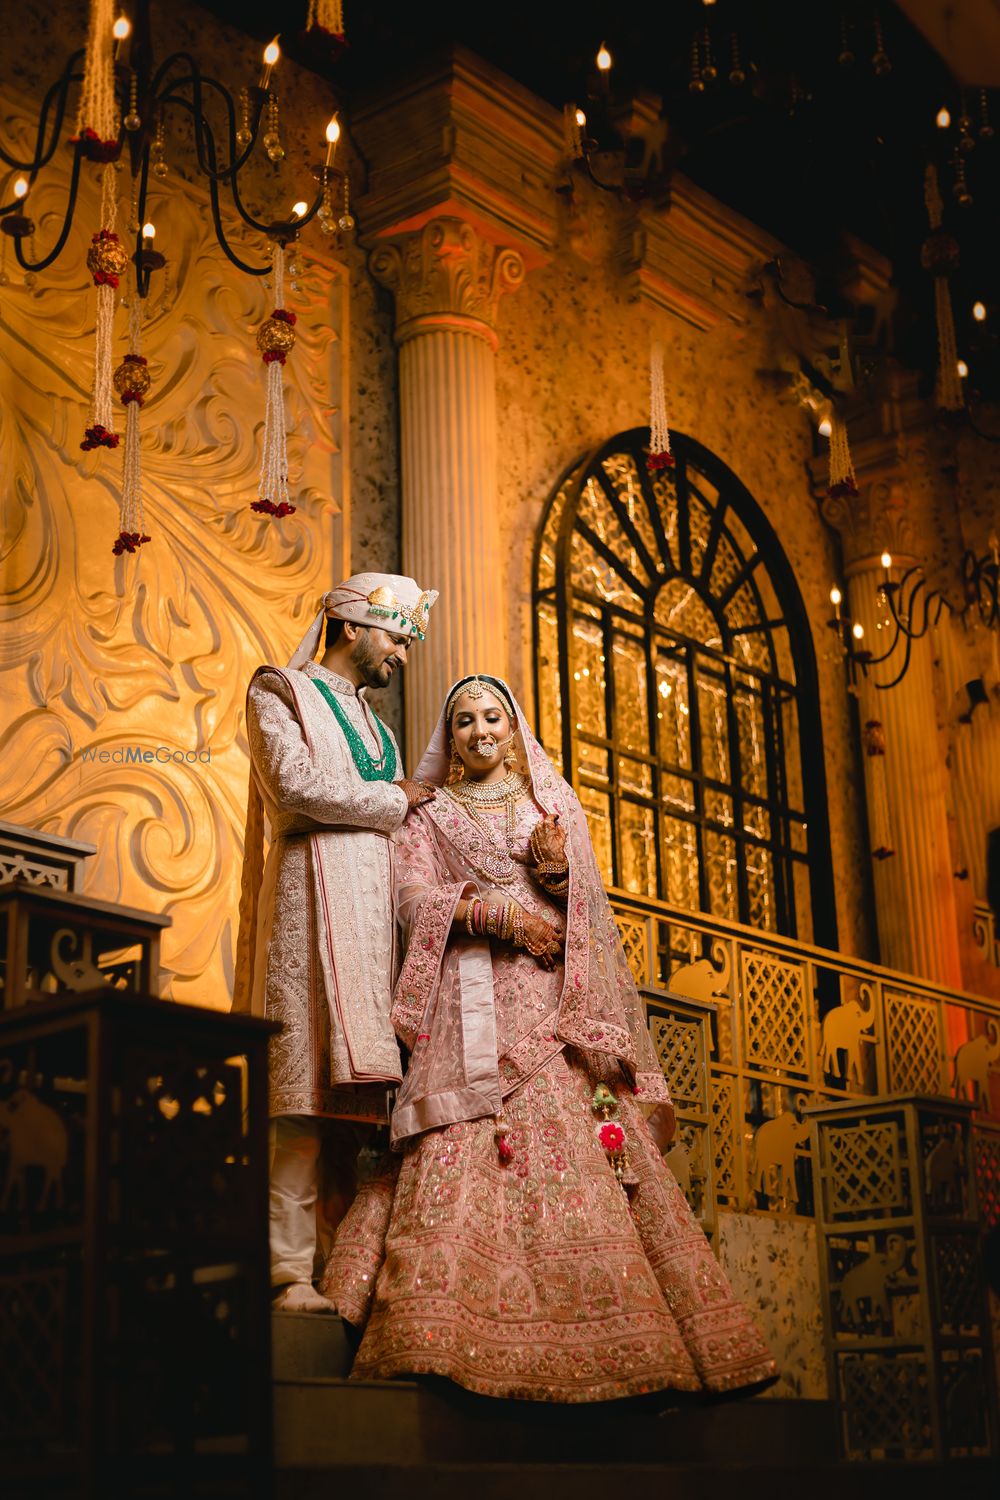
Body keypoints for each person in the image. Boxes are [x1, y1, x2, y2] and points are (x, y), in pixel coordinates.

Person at [322, 673, 777, 1399]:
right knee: (460, 1136)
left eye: (492, 718)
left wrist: (561, 876)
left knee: (588, 1139)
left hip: (554, 1008)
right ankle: (440, 1333)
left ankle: (628, 1348)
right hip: (469, 1011)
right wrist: (492, 916)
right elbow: (407, 903)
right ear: (451, 736)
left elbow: (592, 917)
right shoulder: (428, 816)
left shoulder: (553, 805)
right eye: (464, 720)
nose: (479, 732)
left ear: (514, 727)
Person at [233, 573, 439, 1313]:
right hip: (307, 909)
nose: (402, 657)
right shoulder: (279, 691)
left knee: (360, 1118)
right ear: (352, 627)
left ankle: (345, 1276)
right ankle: (287, 1273)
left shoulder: (378, 729)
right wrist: (394, 802)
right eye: (396, 637)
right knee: (299, 1099)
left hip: (372, 924)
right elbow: (293, 786)